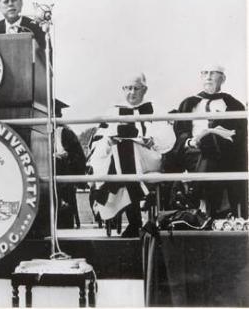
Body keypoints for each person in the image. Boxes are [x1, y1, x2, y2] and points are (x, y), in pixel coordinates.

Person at [88, 73, 174, 237]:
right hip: (121, 158)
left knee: (125, 151)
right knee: (123, 148)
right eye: (128, 88)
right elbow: (99, 139)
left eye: (136, 88)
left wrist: (151, 140)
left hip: (149, 157)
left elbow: (168, 138)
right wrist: (109, 141)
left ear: (145, 89)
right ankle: (138, 206)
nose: (132, 92)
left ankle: (134, 221)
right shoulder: (113, 111)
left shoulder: (156, 109)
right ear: (123, 89)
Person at [168, 64, 247, 218]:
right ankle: (207, 208)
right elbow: (180, 132)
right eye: (205, 73)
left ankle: (192, 196)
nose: (208, 76)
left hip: (224, 156)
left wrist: (218, 137)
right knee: (207, 146)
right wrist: (190, 141)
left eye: (213, 73)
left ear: (223, 78)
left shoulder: (234, 105)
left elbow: (239, 137)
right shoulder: (188, 103)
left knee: (211, 142)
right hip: (191, 153)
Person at [55, 125, 87, 229]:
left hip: (65, 171)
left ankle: (66, 221)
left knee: (65, 191)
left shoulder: (66, 133)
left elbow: (78, 155)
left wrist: (66, 156)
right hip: (52, 170)